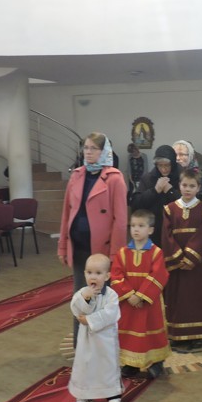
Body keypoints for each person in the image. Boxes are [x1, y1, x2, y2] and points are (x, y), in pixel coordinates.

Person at [58, 133, 127, 348]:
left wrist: (115, 254)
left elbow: (120, 220)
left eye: (93, 148)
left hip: (101, 250)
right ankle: (80, 346)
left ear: (104, 151)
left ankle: (103, 347)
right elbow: (66, 213)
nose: (88, 152)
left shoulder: (114, 178)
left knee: (102, 300)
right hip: (79, 247)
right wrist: (63, 245)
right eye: (86, 148)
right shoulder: (76, 175)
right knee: (81, 297)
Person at [111, 209, 170, 379]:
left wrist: (141, 296)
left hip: (149, 303)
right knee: (129, 330)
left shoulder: (156, 252)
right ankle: (131, 363)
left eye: (141, 226)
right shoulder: (123, 253)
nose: (136, 229)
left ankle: (156, 362)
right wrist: (130, 294)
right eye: (133, 226)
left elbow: (158, 275)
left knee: (151, 329)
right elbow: (116, 275)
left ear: (150, 230)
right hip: (128, 303)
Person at [162, 169, 202, 348]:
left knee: (196, 296)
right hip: (177, 264)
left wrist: (190, 257)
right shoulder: (169, 209)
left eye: (192, 186)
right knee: (177, 296)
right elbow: (166, 235)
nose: (187, 189)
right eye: (184, 185)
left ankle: (199, 333)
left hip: (195, 264)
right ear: (179, 186)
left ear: (198, 188)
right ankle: (177, 333)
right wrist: (178, 257)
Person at [68, 253, 123, 402]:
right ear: (84, 274)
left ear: (107, 276)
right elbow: (75, 308)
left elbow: (111, 314)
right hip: (86, 340)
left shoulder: (111, 295)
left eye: (98, 273)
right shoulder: (82, 292)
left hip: (104, 340)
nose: (93, 277)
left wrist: (90, 320)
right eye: (90, 272)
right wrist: (85, 299)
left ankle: (113, 396)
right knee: (85, 365)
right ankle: (85, 394)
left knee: (106, 366)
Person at [130, 145, 180, 245]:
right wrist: (155, 190)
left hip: (176, 229)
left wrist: (170, 191)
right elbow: (136, 204)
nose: (164, 169)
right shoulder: (148, 178)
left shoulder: (181, 176)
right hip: (153, 231)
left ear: (173, 163)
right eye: (160, 165)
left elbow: (187, 203)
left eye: (167, 165)